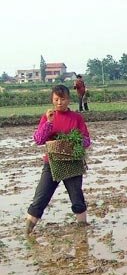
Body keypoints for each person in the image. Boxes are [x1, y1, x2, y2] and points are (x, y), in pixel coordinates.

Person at [25, 84, 91, 235]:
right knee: (40, 197)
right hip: (51, 163)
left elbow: (87, 140)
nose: (59, 102)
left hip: (72, 163)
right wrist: (48, 122)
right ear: (52, 100)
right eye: (56, 99)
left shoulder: (77, 118)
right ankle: (27, 232)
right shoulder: (48, 117)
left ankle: (83, 231)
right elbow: (39, 140)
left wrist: (74, 143)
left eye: (62, 99)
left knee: (77, 198)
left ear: (68, 100)